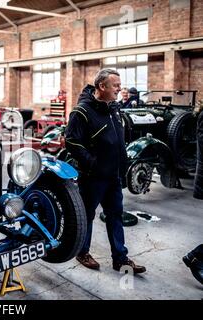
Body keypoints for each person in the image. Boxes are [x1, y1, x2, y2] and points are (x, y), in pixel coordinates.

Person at [65, 69, 146, 274]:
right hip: (93, 177)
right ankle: (82, 251)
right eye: (116, 86)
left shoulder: (114, 109)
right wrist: (92, 163)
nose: (120, 89)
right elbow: (72, 142)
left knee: (115, 215)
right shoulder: (81, 112)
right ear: (102, 87)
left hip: (114, 176)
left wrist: (122, 166)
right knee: (88, 215)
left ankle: (120, 258)